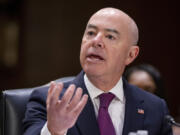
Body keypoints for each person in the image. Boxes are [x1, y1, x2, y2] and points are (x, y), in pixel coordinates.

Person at [23, 7, 172, 135]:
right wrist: (54, 130)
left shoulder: (155, 108)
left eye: (110, 36)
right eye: (91, 33)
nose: (96, 41)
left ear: (130, 54)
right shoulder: (48, 101)